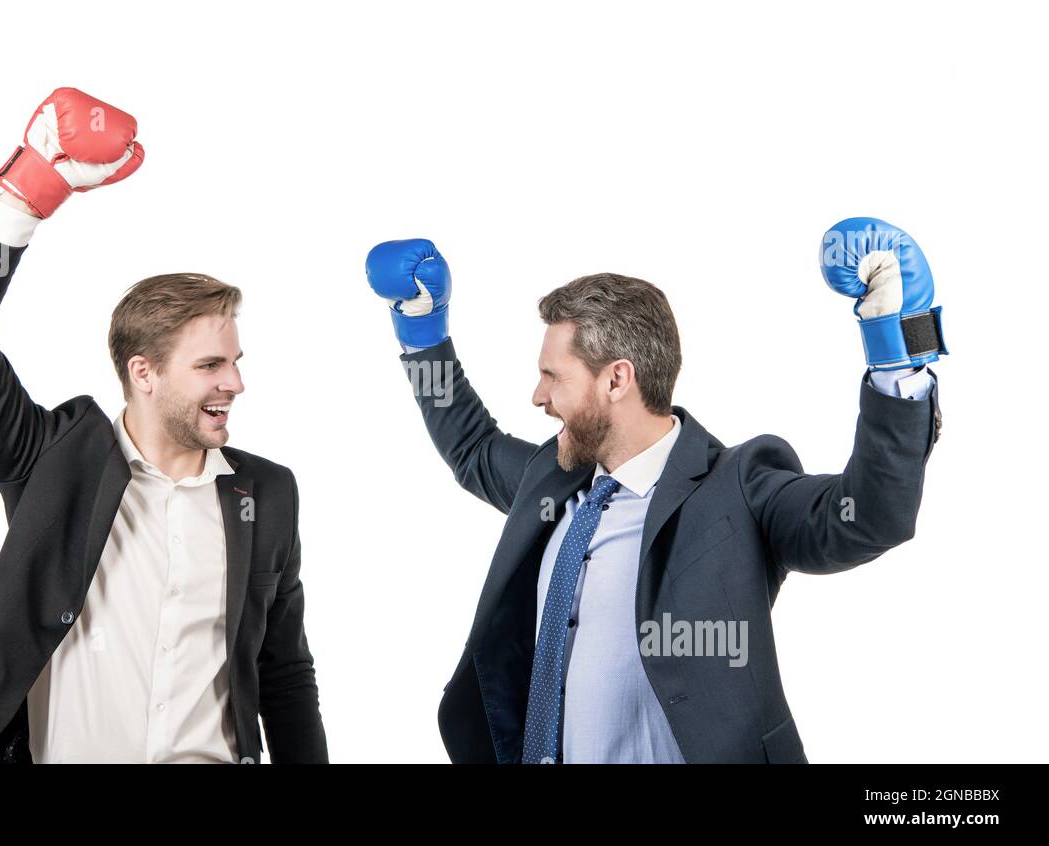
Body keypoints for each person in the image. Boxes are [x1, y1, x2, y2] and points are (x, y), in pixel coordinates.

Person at [365, 223, 944, 763]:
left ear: (617, 379)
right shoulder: (555, 477)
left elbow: (868, 518)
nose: (537, 397)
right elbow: (471, 449)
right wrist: (422, 333)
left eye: (553, 376)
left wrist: (897, 358)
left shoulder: (737, 488)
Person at [0, 88, 327, 764]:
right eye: (210, 364)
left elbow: (285, 675)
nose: (235, 383)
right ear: (143, 372)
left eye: (236, 362)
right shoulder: (51, 461)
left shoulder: (268, 494)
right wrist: (26, 193)